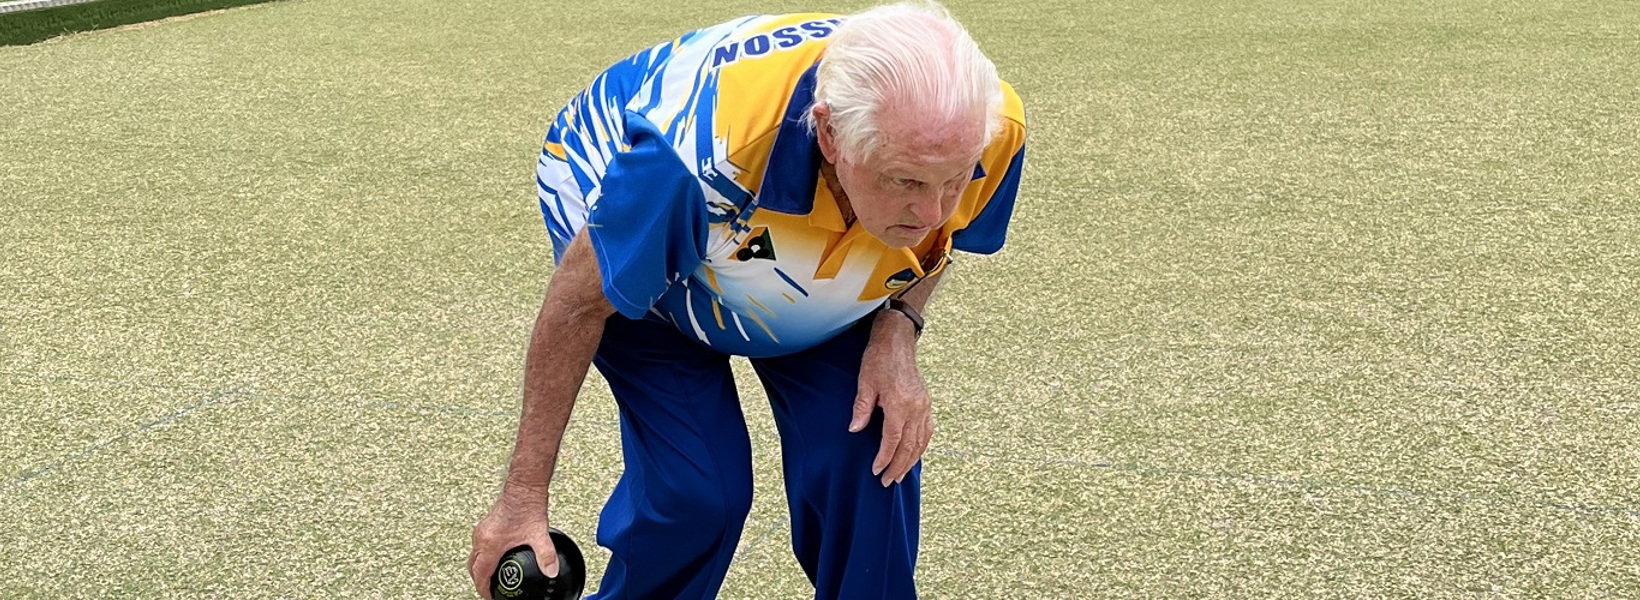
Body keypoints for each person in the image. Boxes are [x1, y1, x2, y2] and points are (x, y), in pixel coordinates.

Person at [468, 2, 1026, 598]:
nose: (933, 212)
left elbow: (949, 234)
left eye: (955, 179)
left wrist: (898, 327)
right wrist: (523, 496)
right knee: (698, 492)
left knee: (867, 452)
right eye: (907, 182)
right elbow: (576, 306)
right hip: (647, 211)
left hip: (769, 222)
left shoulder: (987, 130)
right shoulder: (692, 161)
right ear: (831, 135)